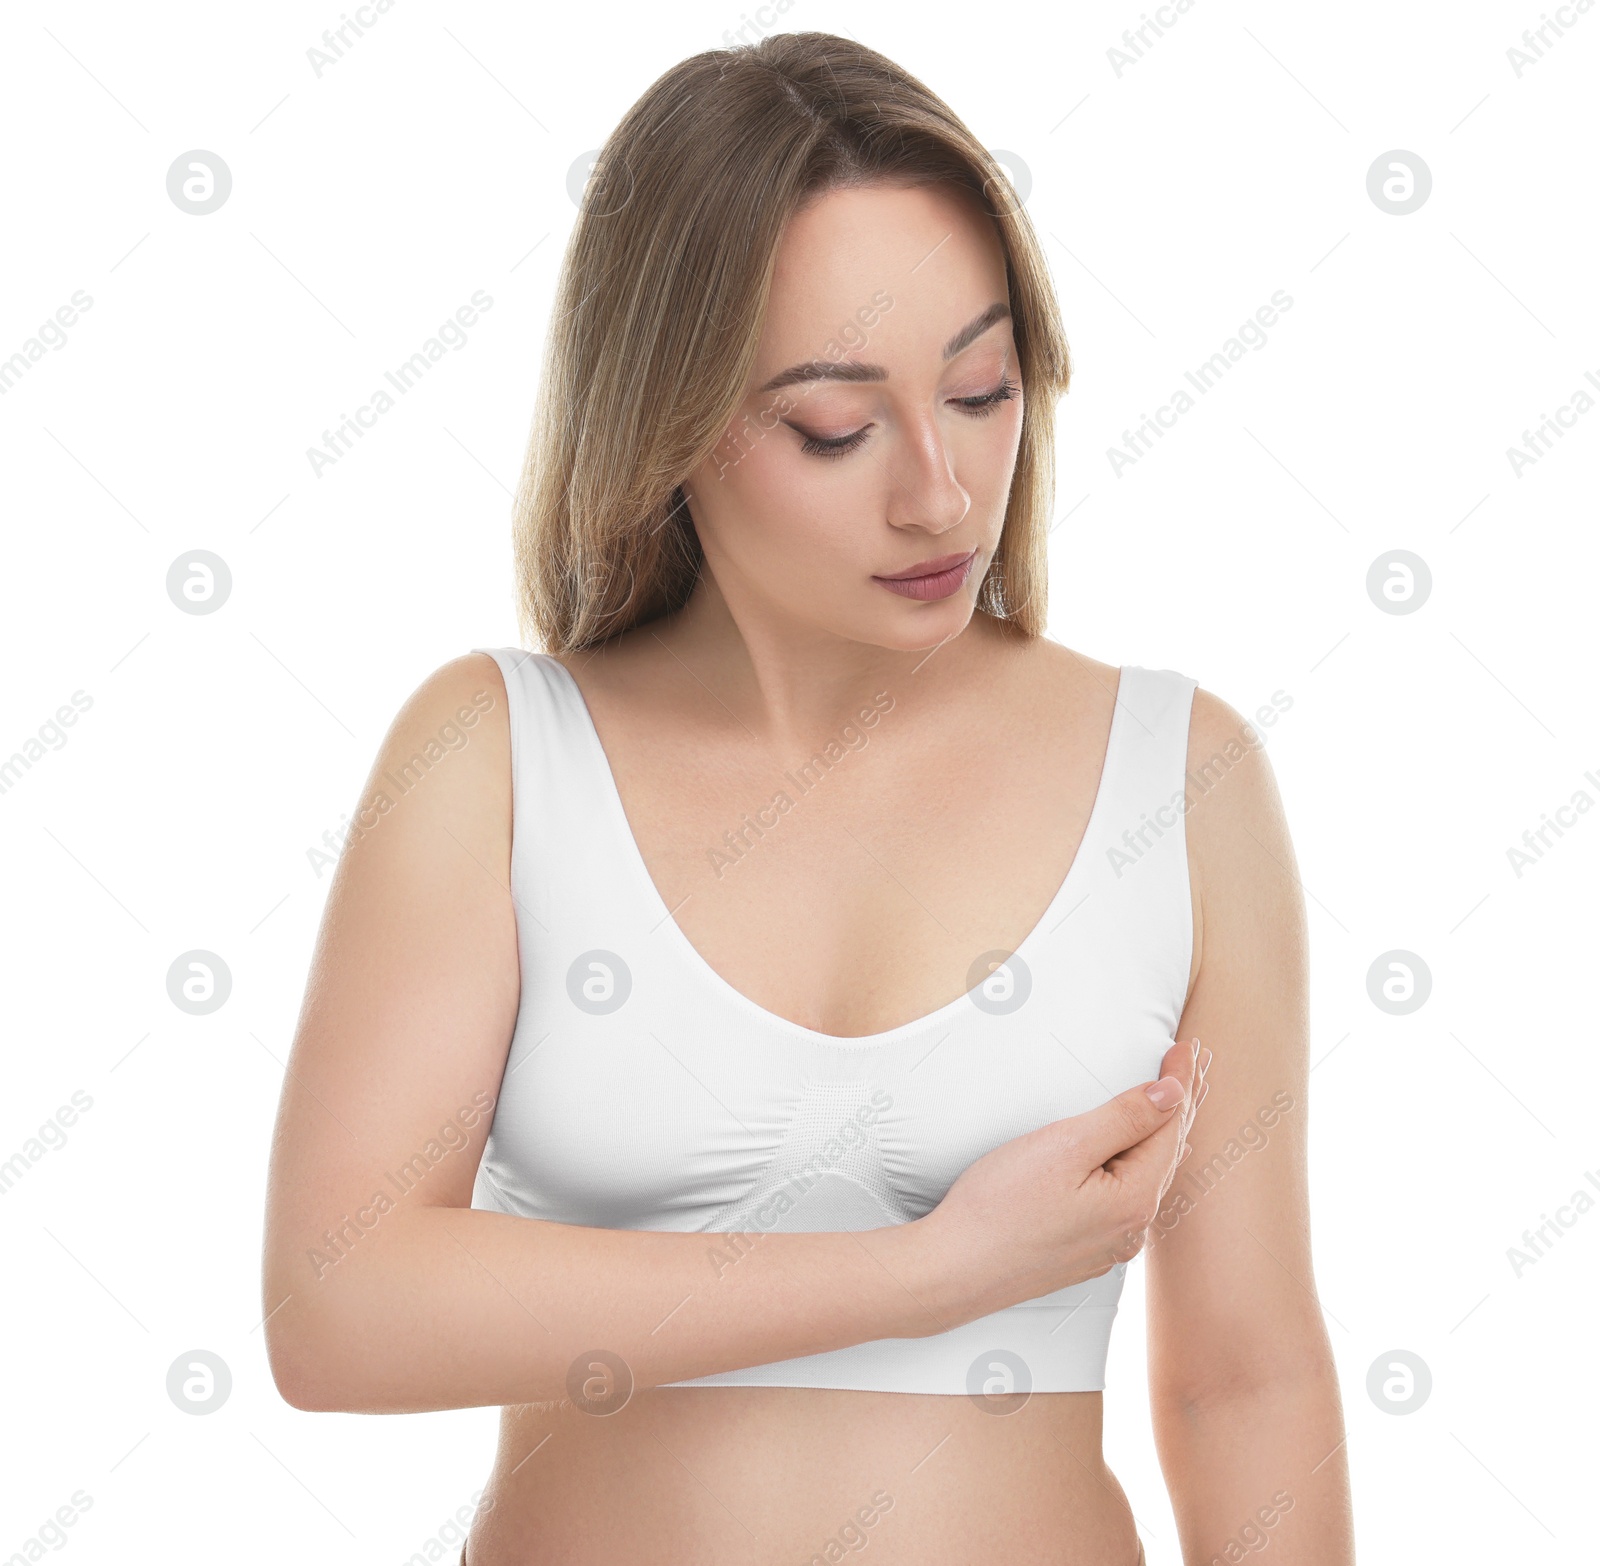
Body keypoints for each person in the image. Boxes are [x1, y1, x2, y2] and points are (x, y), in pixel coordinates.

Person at [262, 32, 1354, 1565]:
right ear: (669, 419)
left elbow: (1249, 1378)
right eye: (835, 426)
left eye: (980, 389)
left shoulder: (1178, 778)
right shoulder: (498, 758)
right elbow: (338, 1306)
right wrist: (929, 1272)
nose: (939, 490)